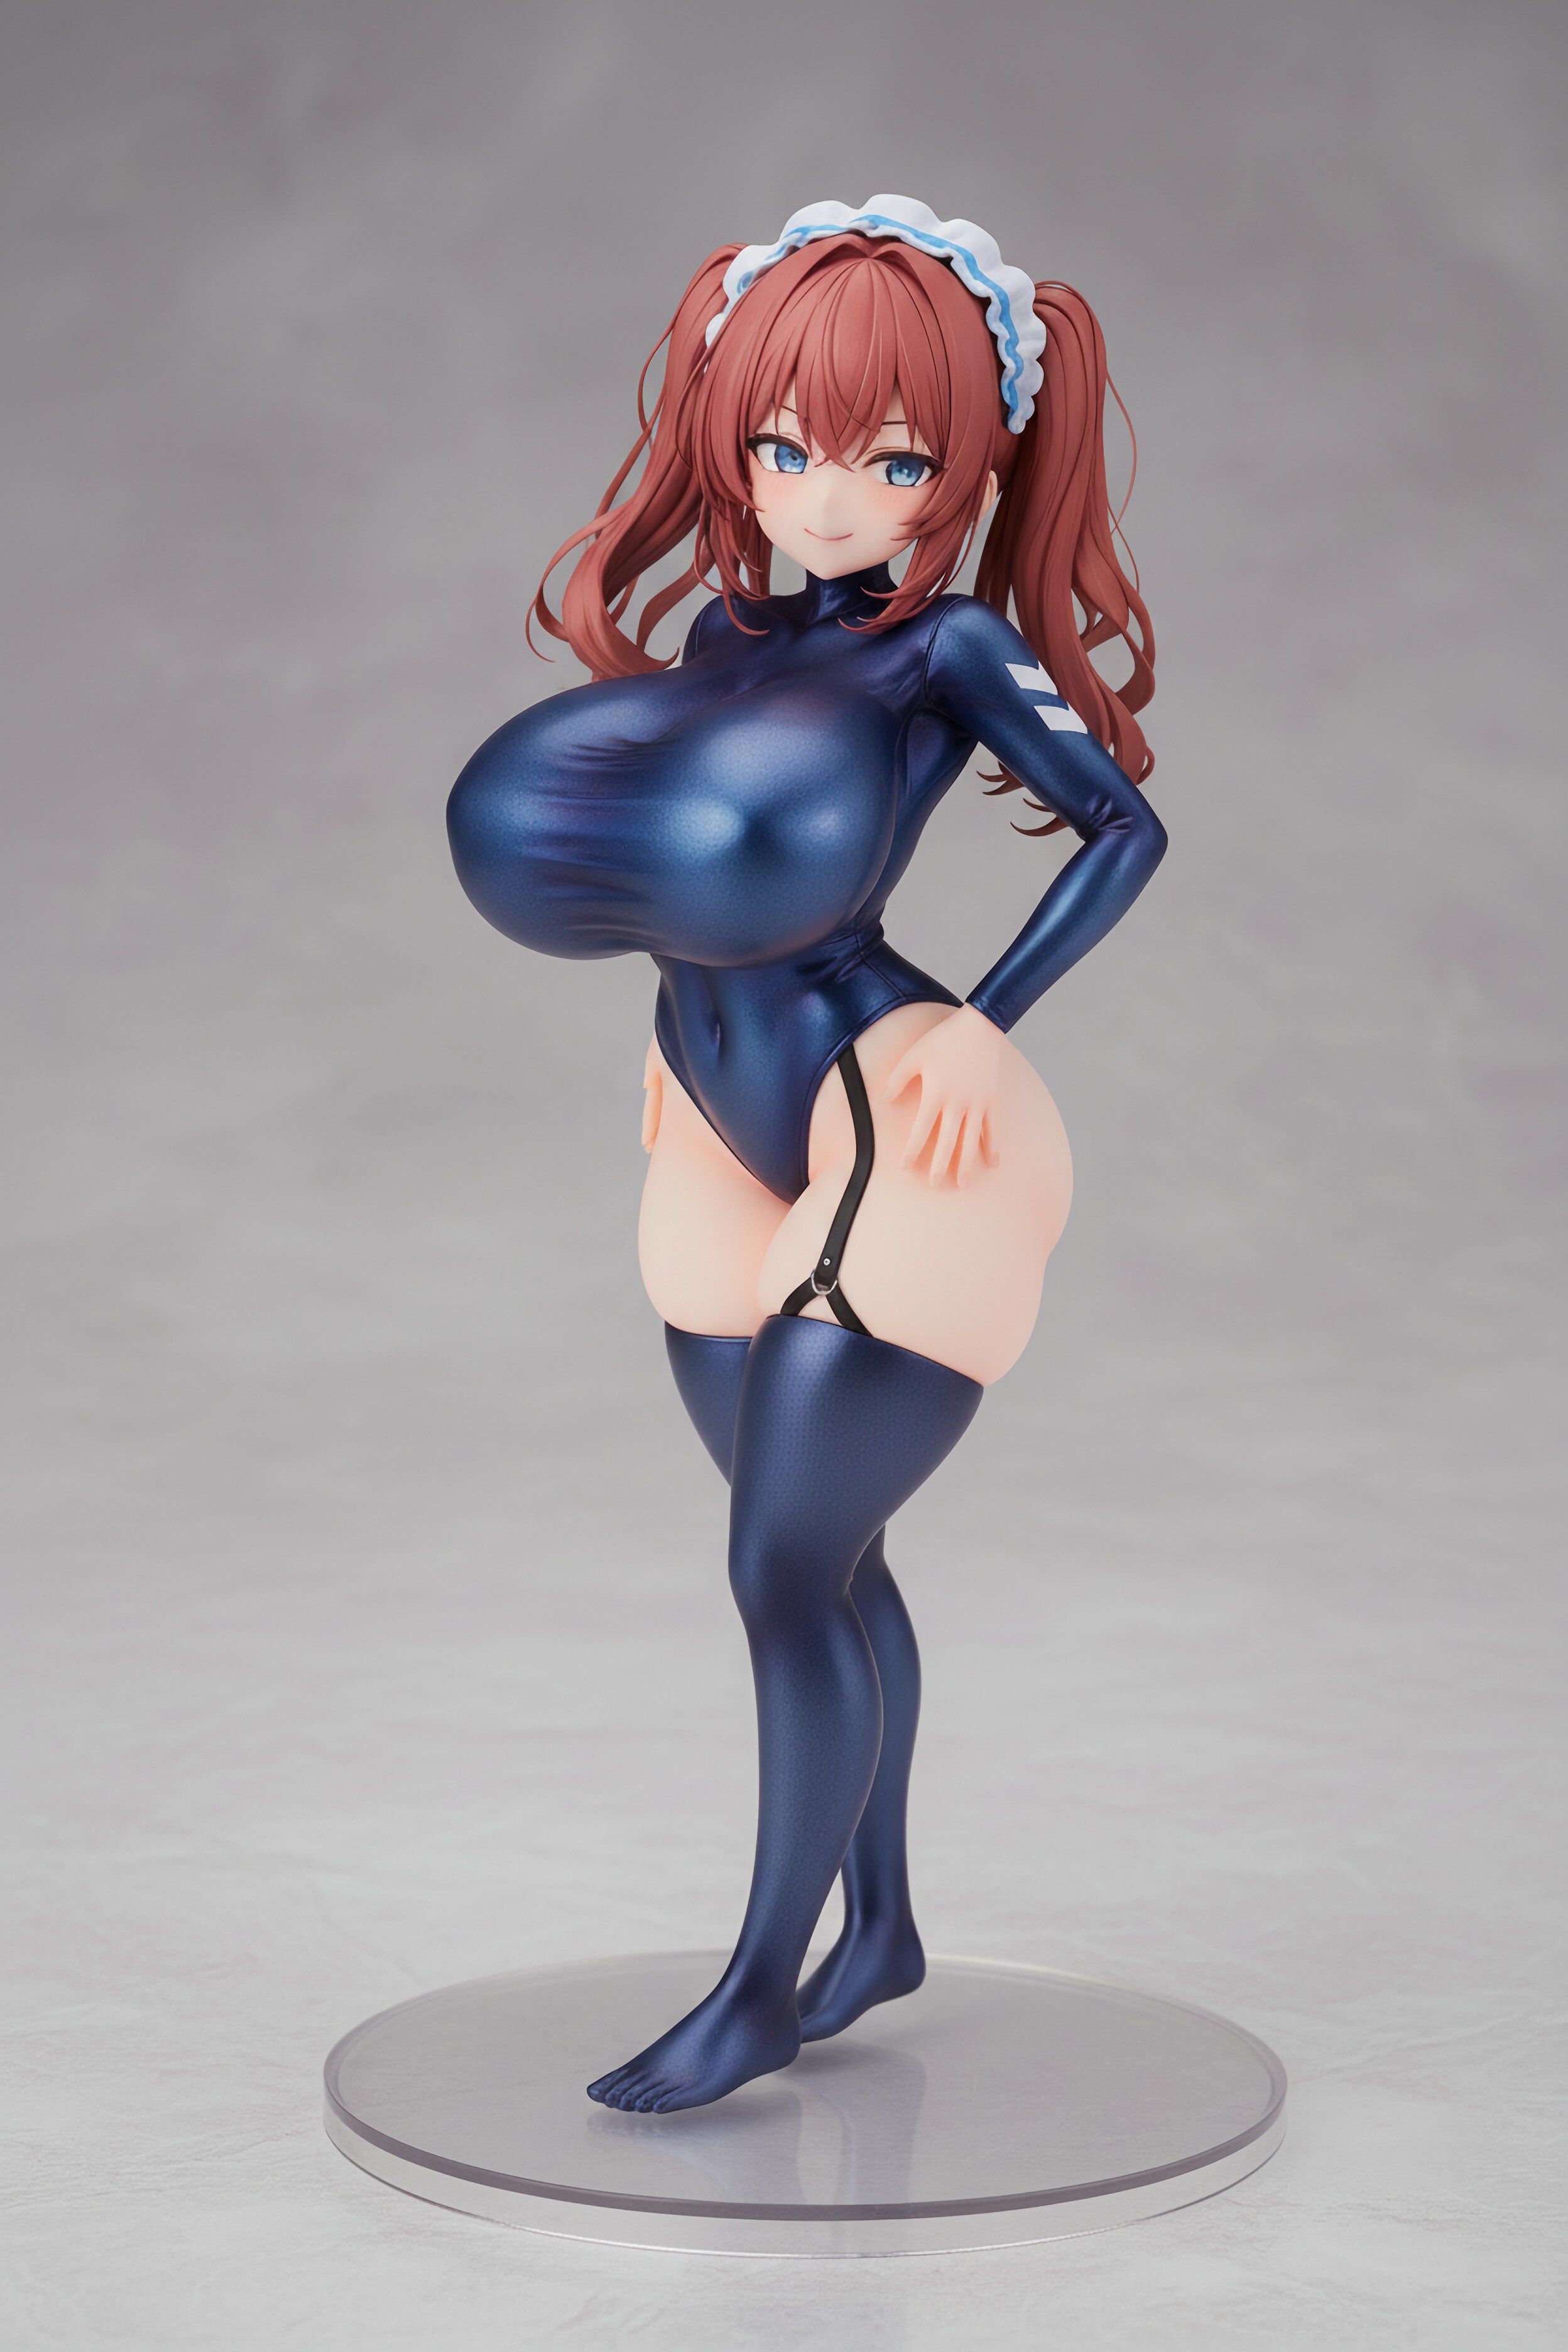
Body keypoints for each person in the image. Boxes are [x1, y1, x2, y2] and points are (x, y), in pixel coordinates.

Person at [447, 197, 1167, 2113]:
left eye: (892, 460)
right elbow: (688, 877)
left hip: (889, 1116)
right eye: (783, 449)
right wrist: (664, 1037)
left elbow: (1124, 829)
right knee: (825, 1562)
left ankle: (763, 1987)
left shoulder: (948, 651)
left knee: (781, 1571)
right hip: (711, 1116)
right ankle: (887, 1927)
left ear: (968, 469)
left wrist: (986, 1022)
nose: (828, 498)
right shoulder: (727, 634)